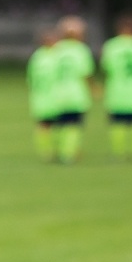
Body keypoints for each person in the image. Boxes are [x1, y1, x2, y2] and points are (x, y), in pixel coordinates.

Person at [101, 14, 132, 160]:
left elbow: (106, 68)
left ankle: (118, 153)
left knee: (117, 123)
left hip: (116, 90)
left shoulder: (112, 46)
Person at [51, 16, 94, 164]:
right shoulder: (81, 50)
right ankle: (69, 153)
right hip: (76, 93)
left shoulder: (56, 49)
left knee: (61, 124)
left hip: (58, 93)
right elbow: (85, 73)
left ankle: (58, 150)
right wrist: (93, 88)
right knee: (74, 124)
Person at [28, 29, 63, 161]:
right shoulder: (57, 56)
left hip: (40, 96)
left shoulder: (37, 57)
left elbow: (30, 78)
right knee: (61, 125)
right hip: (56, 97)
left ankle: (46, 152)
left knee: (44, 125)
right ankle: (59, 150)